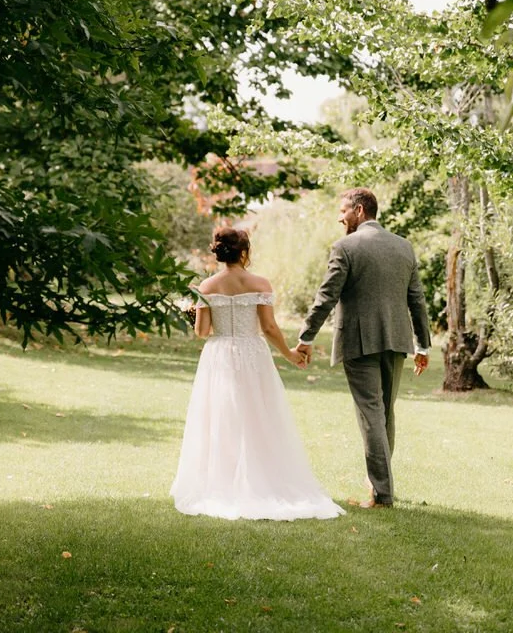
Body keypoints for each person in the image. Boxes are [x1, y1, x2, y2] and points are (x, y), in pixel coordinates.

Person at [170, 227, 344, 521]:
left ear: (219, 252)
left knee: (221, 416)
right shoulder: (260, 283)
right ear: (245, 252)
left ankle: (223, 482)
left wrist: (195, 313)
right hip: (253, 354)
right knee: (259, 415)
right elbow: (269, 328)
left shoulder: (206, 287)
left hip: (219, 355)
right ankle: (264, 478)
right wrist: (289, 353)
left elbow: (202, 332)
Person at [293, 188, 431, 509]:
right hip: (397, 341)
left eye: (343, 211)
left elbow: (327, 295)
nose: (340, 218)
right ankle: (377, 485)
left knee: (371, 414)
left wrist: (306, 337)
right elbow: (417, 300)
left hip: (359, 341)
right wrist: (423, 344)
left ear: (359, 210)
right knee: (384, 414)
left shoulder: (345, 246)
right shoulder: (403, 246)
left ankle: (382, 495)